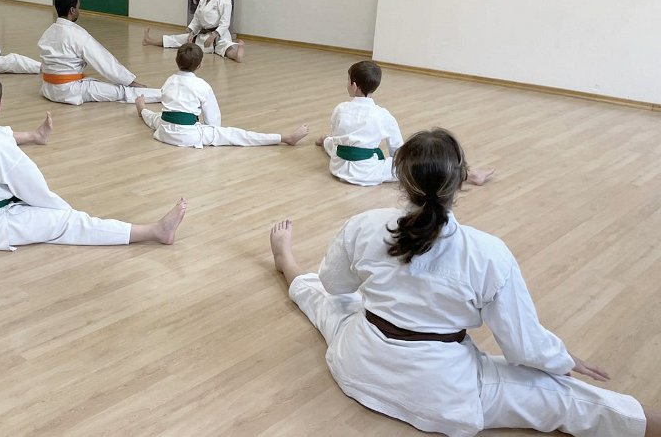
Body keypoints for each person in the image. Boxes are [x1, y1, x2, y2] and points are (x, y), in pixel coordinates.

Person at [269, 128, 657, 437]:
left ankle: (286, 259)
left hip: (357, 366)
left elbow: (333, 286)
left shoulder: (363, 225)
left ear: (401, 182)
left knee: (327, 302)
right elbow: (524, 347)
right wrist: (561, 360)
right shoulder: (488, 253)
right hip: (443, 393)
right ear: (460, 183)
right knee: (568, 399)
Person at [0, 71, 188, 251]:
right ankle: (155, 232)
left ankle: (35, 136)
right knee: (69, 222)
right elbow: (37, 193)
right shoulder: (2, 150)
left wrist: (34, 136)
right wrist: (64, 211)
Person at [316, 60, 493, 187]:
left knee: (335, 144)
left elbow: (338, 133)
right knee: (417, 168)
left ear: (354, 85)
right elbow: (398, 151)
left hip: (338, 167)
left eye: (347, 80)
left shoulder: (340, 108)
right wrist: (400, 164)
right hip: (367, 173)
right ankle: (468, 175)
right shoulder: (383, 115)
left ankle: (325, 141)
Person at [136, 43, 309, 147]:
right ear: (199, 65)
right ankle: (285, 138)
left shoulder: (169, 81)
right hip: (189, 136)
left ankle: (142, 108)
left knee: (155, 118)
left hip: (165, 132)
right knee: (235, 135)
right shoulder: (202, 86)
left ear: (176, 61)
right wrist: (208, 130)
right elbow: (214, 122)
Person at [39, 0, 161, 106]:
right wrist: (129, 81)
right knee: (121, 91)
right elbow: (104, 62)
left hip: (48, 89)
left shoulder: (47, 33)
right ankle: (163, 95)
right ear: (72, 10)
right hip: (70, 90)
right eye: (78, 8)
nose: (79, 11)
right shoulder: (78, 35)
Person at [143, 0, 244, 63]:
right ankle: (149, 40)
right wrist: (191, 33)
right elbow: (196, 19)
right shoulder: (203, 0)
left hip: (218, 35)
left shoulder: (225, 1)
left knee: (224, 46)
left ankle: (237, 55)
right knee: (179, 39)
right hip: (202, 35)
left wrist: (213, 36)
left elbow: (225, 23)